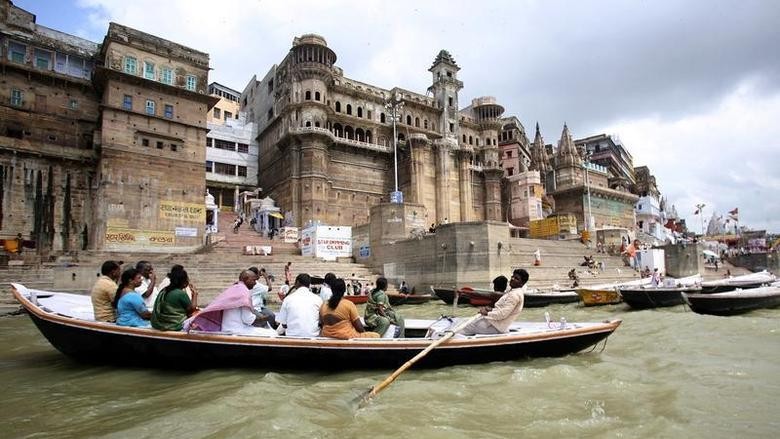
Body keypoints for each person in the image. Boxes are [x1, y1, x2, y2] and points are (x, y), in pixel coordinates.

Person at [185, 270, 275, 336]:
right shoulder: (244, 292)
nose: (255, 283)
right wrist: (264, 319)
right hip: (237, 330)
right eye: (253, 280)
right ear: (246, 279)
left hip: (228, 328)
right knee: (272, 333)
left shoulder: (234, 288)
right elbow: (247, 319)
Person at [458, 268, 528, 336]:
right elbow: (501, 310)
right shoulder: (513, 292)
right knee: (464, 323)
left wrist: (486, 313)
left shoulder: (514, 295)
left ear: (522, 283)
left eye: (516, 278)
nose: (512, 279)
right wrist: (491, 310)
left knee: (461, 328)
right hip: (495, 324)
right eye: (512, 276)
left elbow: (502, 314)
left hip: (495, 327)